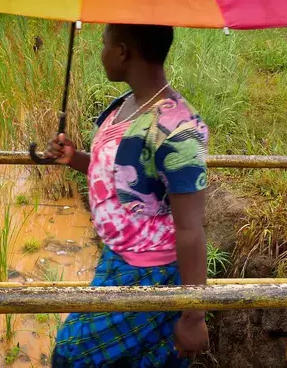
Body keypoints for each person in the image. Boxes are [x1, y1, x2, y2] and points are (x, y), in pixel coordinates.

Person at [45, 24, 210, 367]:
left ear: (122, 51)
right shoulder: (128, 105)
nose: (101, 52)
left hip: (152, 271)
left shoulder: (179, 130)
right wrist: (74, 158)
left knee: (72, 354)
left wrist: (194, 318)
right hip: (118, 258)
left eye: (104, 44)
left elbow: (191, 229)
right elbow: (123, 176)